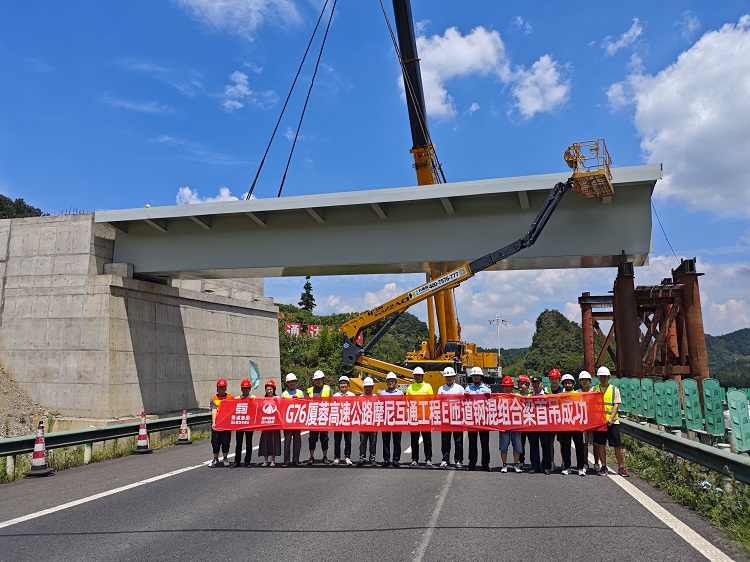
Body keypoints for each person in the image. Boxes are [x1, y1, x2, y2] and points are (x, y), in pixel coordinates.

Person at [594, 366, 630, 476]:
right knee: (601, 445)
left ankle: (621, 467)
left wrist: (610, 418)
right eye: (601, 377)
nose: (603, 378)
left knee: (617, 445)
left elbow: (616, 405)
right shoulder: (594, 389)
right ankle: (604, 466)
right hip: (600, 423)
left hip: (613, 422)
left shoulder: (614, 389)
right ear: (598, 377)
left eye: (605, 376)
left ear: (609, 377)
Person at [558, 374, 586, 476]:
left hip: (576, 424)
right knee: (565, 447)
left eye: (569, 382)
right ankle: (567, 466)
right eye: (565, 383)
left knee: (579, 447)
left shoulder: (578, 394)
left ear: (573, 384)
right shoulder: (560, 395)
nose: (567, 384)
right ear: (563, 384)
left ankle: (580, 467)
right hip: (565, 425)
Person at [464, 366, 491, 471]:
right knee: (472, 443)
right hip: (472, 419)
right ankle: (472, 463)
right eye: (474, 375)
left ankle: (485, 464)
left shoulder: (486, 388)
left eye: (477, 375)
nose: (476, 377)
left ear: (481, 376)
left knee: (485, 443)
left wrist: (489, 396)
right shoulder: (468, 389)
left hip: (483, 419)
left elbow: (492, 403)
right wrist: (464, 396)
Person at [406, 366, 434, 467]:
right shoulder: (410, 388)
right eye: (416, 375)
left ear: (422, 376)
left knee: (427, 439)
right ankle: (414, 459)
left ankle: (428, 459)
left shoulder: (428, 387)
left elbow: (432, 401)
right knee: (414, 440)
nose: (417, 377)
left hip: (425, 418)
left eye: (419, 375)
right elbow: (407, 403)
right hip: (414, 418)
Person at [438, 367, 464, 469]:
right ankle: (445, 459)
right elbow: (438, 403)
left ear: (454, 376)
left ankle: (458, 460)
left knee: (458, 441)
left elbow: (464, 403)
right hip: (445, 418)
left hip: (457, 418)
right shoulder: (441, 389)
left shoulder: (459, 388)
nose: (449, 378)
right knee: (445, 440)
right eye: (447, 377)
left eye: (450, 376)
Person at [306, 369, 332, 465]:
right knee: (312, 439)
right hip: (313, 418)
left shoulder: (328, 389)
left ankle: (325, 457)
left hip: (324, 418)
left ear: (323, 379)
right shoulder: (310, 390)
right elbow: (305, 405)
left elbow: (333, 403)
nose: (317, 381)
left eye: (319, 379)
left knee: (324, 438)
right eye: (316, 379)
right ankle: (311, 457)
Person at [527, 376, 551, 474]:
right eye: (534, 384)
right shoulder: (528, 396)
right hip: (532, 424)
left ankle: (546, 467)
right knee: (533, 446)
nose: (536, 385)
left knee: (546, 446)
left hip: (544, 425)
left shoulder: (547, 395)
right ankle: (535, 466)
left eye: (538, 383)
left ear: (542, 384)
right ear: (532, 385)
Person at [498, 376, 523, 473]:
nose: (508, 388)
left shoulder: (517, 397)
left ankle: (516, 464)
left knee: (517, 446)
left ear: (512, 387)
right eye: (506, 386)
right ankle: (504, 464)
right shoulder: (499, 398)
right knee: (503, 446)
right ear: (503, 387)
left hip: (516, 425)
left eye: (509, 386)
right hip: (504, 425)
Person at [379, 372, 403, 468]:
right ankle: (386, 459)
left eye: (392, 381)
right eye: (389, 381)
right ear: (386, 382)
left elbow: (403, 406)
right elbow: (379, 406)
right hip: (386, 420)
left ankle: (396, 460)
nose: (390, 382)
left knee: (397, 441)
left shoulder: (400, 393)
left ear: (395, 382)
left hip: (397, 420)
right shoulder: (382, 393)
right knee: (386, 441)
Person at [281, 373, 304, 467]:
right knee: (287, 441)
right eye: (290, 382)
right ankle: (286, 461)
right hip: (287, 422)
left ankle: (296, 460)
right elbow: (281, 407)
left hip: (297, 421)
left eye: (293, 382)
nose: (292, 383)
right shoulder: (284, 394)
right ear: (287, 383)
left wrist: (298, 400)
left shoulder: (300, 393)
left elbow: (304, 405)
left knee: (297, 441)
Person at [577, 370, 599, 472]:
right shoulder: (576, 393)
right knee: (584, 443)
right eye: (582, 380)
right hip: (582, 422)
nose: (584, 382)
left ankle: (596, 463)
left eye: (586, 380)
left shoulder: (595, 392)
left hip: (594, 421)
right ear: (580, 381)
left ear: (590, 381)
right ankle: (585, 463)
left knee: (596, 443)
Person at [210, 378, 233, 468]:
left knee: (226, 441)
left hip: (226, 424)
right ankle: (215, 459)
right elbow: (214, 410)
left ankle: (225, 458)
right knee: (215, 442)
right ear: (217, 388)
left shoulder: (230, 397)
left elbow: (233, 409)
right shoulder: (214, 398)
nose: (221, 389)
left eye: (223, 387)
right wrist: (214, 422)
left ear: (226, 388)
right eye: (220, 388)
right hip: (218, 423)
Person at [258, 380, 281, 467]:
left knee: (273, 441)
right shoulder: (263, 400)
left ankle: (273, 460)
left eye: (271, 389)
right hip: (265, 423)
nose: (269, 391)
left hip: (275, 423)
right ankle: (265, 460)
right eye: (267, 389)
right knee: (265, 441)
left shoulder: (277, 399)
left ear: (274, 390)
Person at [232, 378, 254, 468]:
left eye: (247, 388)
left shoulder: (254, 399)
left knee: (249, 443)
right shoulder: (236, 399)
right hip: (239, 424)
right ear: (241, 389)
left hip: (249, 424)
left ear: (249, 389)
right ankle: (237, 461)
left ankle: (247, 461)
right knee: (239, 443)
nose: (245, 390)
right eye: (244, 388)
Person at [333, 375, 355, 466]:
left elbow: (355, 407)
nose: (343, 385)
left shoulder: (352, 395)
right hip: (338, 421)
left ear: (348, 385)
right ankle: (336, 457)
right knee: (337, 440)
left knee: (348, 440)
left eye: (345, 383)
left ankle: (347, 457)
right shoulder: (335, 395)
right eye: (341, 383)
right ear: (339, 385)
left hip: (348, 421)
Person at [358, 377, 378, 466]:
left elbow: (379, 411)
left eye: (369, 386)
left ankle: (372, 458)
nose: (368, 388)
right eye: (366, 387)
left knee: (373, 442)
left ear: (372, 387)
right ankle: (362, 458)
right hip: (363, 424)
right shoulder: (360, 398)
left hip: (373, 424)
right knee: (362, 442)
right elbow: (356, 410)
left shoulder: (376, 398)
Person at [547, 368, 563, 472]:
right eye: (552, 379)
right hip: (549, 421)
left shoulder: (564, 391)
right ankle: (551, 462)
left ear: (559, 379)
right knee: (550, 443)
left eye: (556, 379)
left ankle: (563, 462)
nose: (554, 381)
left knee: (563, 443)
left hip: (561, 420)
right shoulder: (546, 391)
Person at [516, 374, 531, 466]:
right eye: (519, 383)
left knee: (533, 443)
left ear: (528, 385)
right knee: (520, 443)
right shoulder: (515, 396)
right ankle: (521, 460)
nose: (520, 385)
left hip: (530, 423)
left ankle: (534, 461)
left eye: (523, 384)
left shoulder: (532, 396)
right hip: (520, 424)